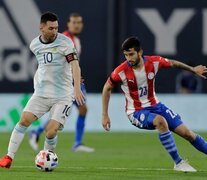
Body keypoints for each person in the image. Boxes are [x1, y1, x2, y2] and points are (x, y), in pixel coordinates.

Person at [102, 36, 207, 172]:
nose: (128, 58)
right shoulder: (120, 72)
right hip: (136, 111)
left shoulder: (154, 62)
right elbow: (107, 88)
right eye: (126, 55)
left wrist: (192, 69)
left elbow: (173, 63)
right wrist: (105, 114)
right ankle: (178, 162)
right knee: (160, 121)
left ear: (140, 52)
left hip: (156, 106)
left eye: (131, 54)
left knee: (188, 133)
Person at [0, 11, 84, 169]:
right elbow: (44, 65)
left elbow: (74, 65)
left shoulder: (65, 43)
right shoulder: (34, 45)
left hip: (63, 95)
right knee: (23, 121)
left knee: (50, 132)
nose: (55, 32)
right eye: (51, 28)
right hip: (41, 93)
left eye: (56, 28)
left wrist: (77, 87)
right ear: (42, 28)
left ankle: (47, 158)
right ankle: (8, 157)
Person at [29, 13, 94, 153]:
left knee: (81, 110)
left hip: (72, 81)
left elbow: (73, 63)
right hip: (65, 84)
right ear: (68, 24)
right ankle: (40, 132)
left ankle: (75, 143)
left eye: (79, 22)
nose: (77, 25)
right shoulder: (62, 39)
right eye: (74, 22)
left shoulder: (75, 39)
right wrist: (74, 82)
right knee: (67, 112)